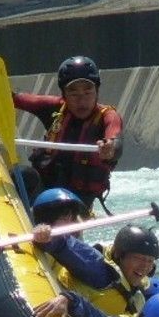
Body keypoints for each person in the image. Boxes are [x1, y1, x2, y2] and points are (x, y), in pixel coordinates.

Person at [14, 56, 123, 211]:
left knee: (62, 210)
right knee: (22, 175)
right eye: (73, 93)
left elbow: (116, 141)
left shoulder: (108, 117)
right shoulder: (54, 107)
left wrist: (110, 148)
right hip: (44, 191)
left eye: (88, 92)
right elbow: (16, 99)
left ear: (97, 91)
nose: (82, 101)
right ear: (64, 95)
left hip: (77, 204)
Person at [32, 221, 159, 316]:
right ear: (119, 254)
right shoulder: (97, 268)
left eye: (150, 261)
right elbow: (64, 245)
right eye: (138, 258)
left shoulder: (139, 284)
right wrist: (47, 237)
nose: (145, 266)